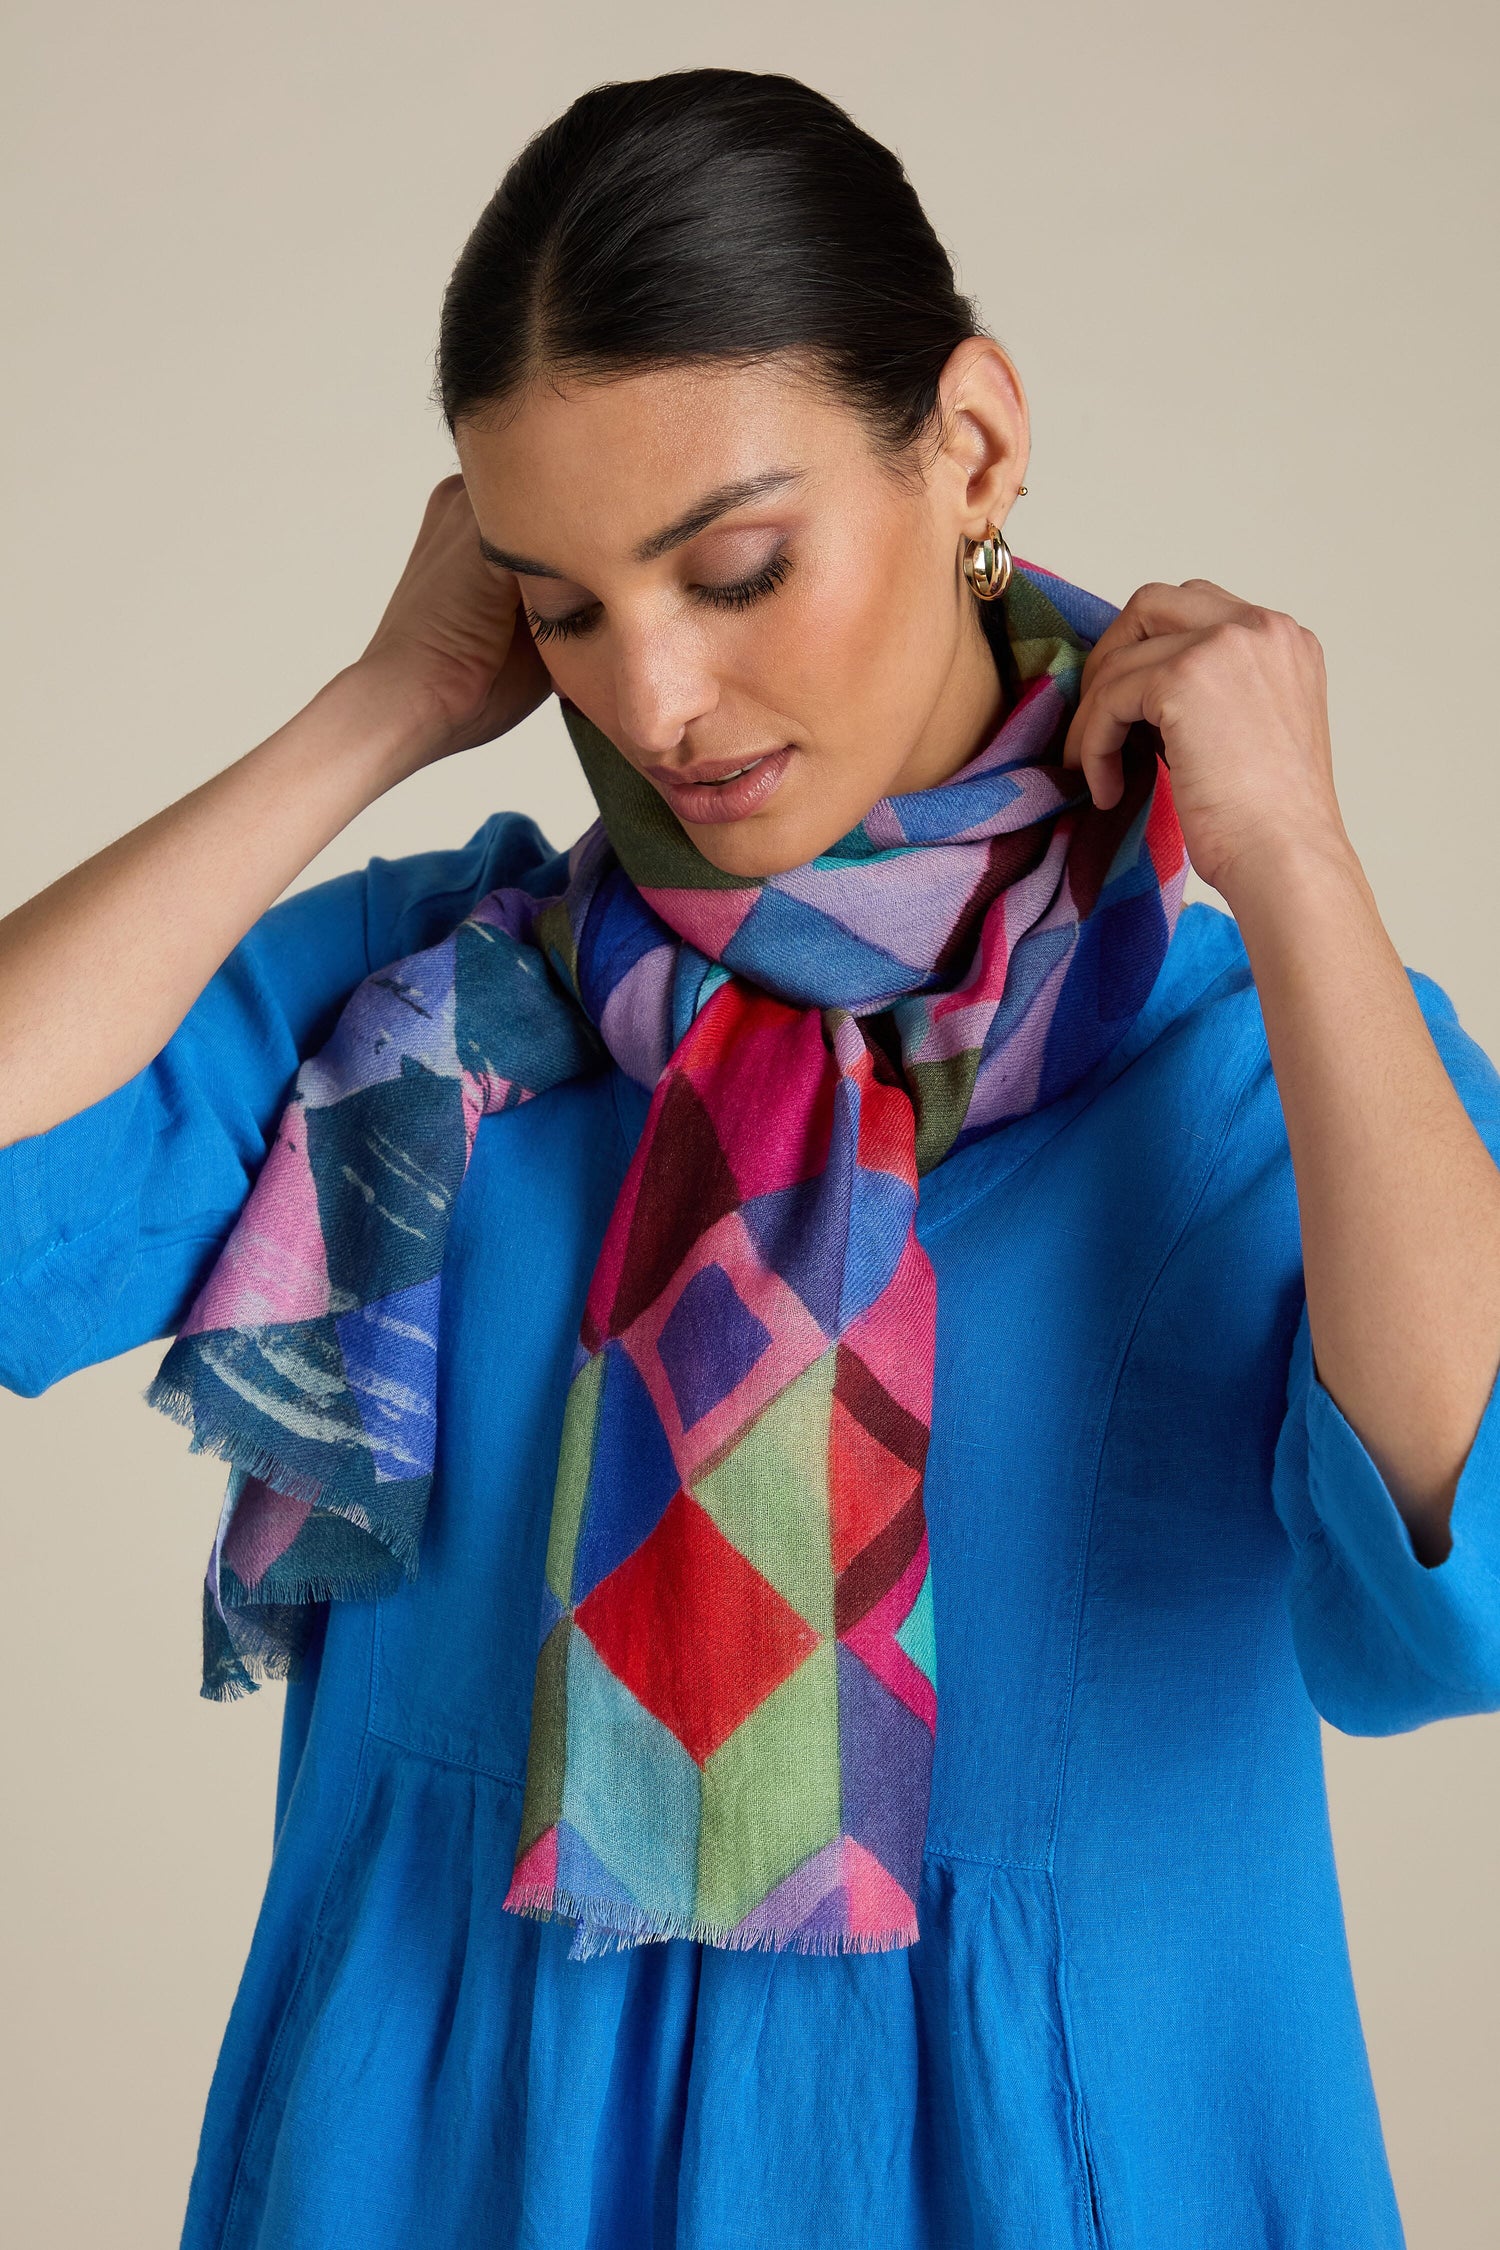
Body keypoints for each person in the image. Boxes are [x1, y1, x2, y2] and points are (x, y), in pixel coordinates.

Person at [3, 62, 1499, 2250]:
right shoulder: (434, 1014)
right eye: (568, 606)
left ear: (972, 444)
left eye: (731, 566)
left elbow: (1454, 1593)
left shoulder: (1252, 1050)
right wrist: (385, 704)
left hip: (1054, 2157)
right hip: (441, 2156)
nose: (663, 693)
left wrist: (1291, 856)